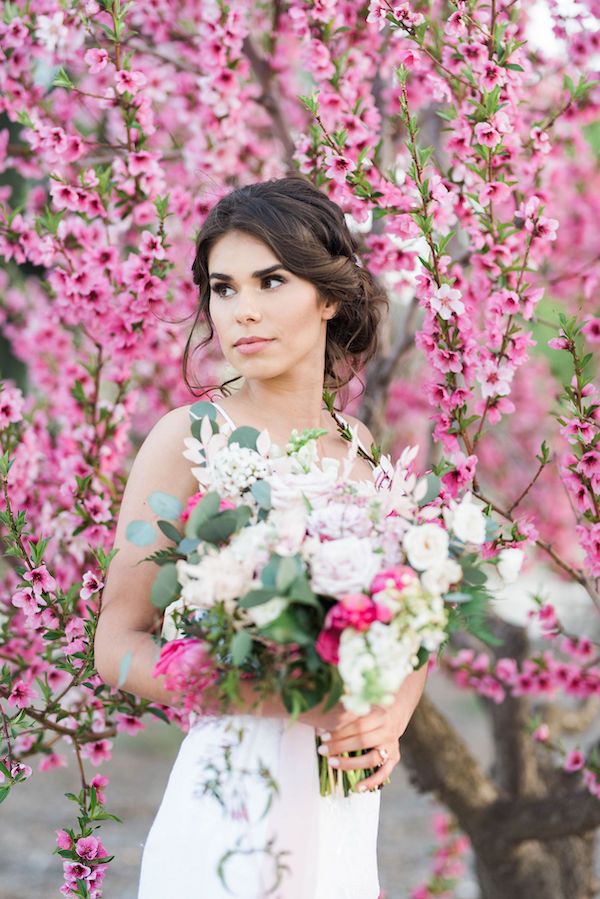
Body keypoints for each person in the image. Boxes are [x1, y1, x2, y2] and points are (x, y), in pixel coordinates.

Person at [94, 174, 429, 898]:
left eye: (270, 281)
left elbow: (410, 627)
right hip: (230, 800)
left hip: (343, 804)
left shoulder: (363, 450)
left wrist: (390, 718)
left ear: (330, 294)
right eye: (223, 288)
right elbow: (115, 643)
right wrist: (269, 692)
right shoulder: (187, 438)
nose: (241, 311)